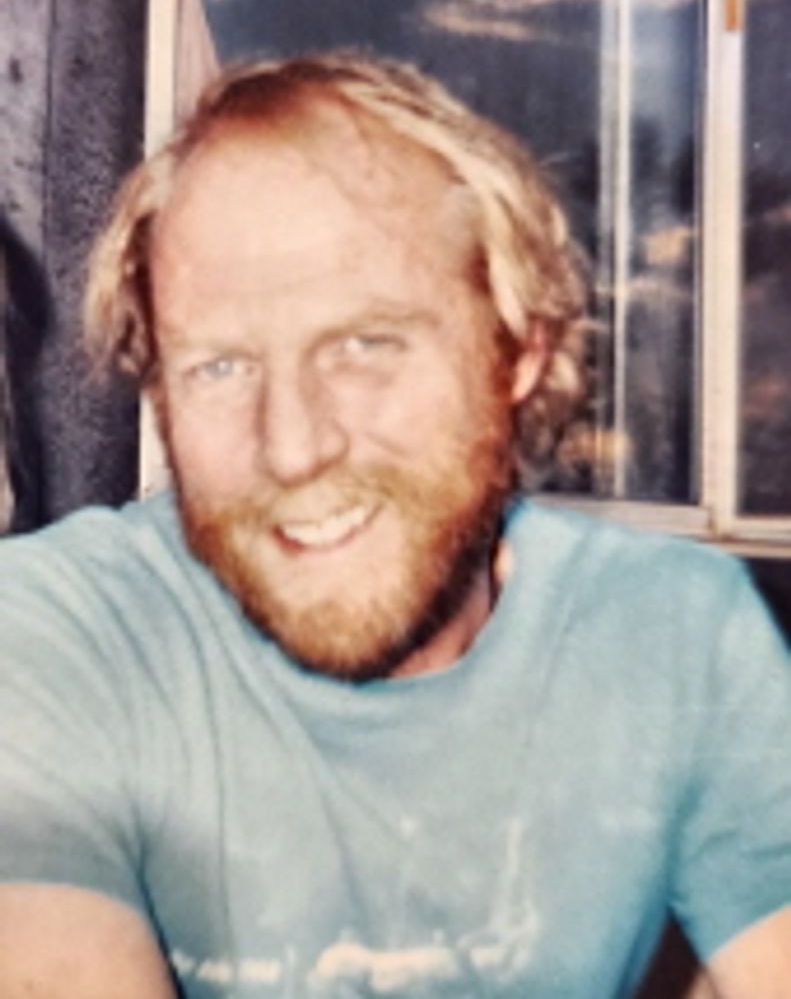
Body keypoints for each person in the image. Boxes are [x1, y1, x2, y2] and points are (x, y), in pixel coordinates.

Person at [0, 52, 789, 999]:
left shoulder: (675, 631)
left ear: (516, 352)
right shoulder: (54, 635)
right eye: (220, 366)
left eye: (364, 345)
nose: (292, 448)